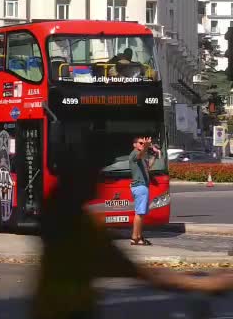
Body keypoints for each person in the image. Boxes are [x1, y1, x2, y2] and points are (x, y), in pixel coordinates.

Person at [32, 136, 233, 319]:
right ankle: (136, 237)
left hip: (63, 309)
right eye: (93, 173)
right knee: (139, 213)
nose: (98, 182)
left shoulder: (63, 215)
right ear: (77, 180)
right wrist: (202, 284)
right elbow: (138, 272)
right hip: (69, 312)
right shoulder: (77, 227)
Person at [129, 135, 160, 246]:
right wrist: (147, 146)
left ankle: (138, 237)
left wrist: (155, 155)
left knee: (141, 214)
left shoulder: (141, 157)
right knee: (139, 213)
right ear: (134, 145)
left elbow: (148, 167)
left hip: (143, 187)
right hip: (140, 186)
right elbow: (140, 154)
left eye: (143, 143)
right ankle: (134, 237)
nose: (142, 145)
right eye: (140, 143)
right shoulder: (134, 154)